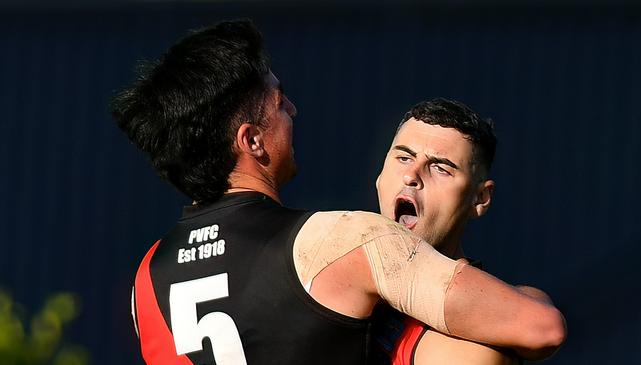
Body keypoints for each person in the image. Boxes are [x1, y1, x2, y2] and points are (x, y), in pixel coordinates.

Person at [111, 19, 566, 365]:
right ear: (251, 140)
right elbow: (540, 327)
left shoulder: (145, 278)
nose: (293, 108)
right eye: (279, 100)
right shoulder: (342, 241)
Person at [372, 98, 564, 364]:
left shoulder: (483, 336)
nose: (411, 175)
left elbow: (545, 327)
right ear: (380, 176)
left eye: (440, 168)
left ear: (480, 198)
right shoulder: (324, 263)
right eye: (404, 158)